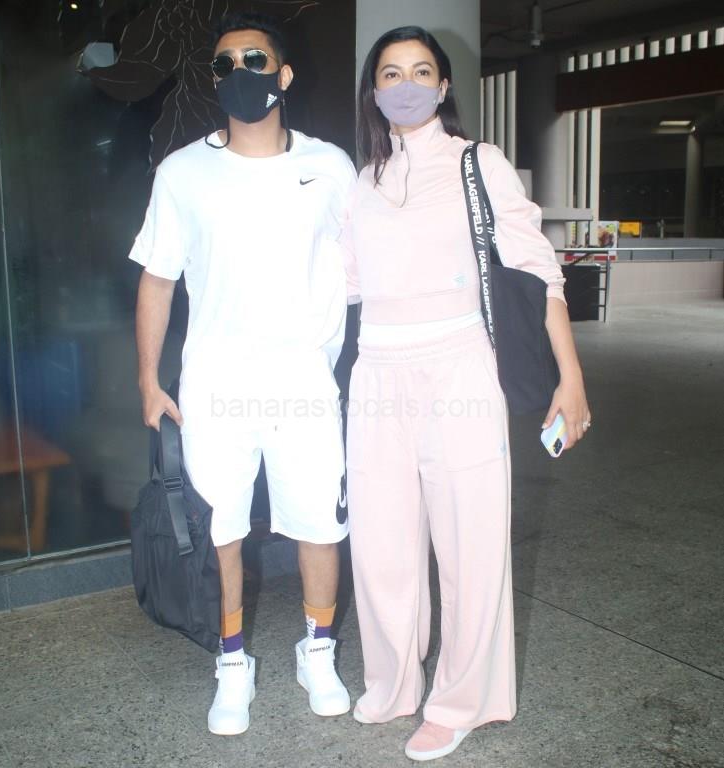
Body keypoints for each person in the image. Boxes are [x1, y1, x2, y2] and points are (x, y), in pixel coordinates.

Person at [344, 26, 591, 762]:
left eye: (421, 71)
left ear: (445, 86)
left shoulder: (478, 163)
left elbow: (537, 270)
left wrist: (571, 376)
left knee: (469, 543)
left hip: (459, 365)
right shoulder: (361, 182)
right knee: (381, 546)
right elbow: (346, 286)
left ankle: (460, 702)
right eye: (391, 73)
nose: (406, 85)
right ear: (373, 91)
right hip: (375, 370)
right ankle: (392, 682)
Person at [130, 11, 356, 736]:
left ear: (283, 75)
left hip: (303, 382)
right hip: (215, 384)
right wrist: (148, 380)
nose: (239, 74)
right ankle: (232, 663)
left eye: (254, 60)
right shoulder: (182, 172)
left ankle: (317, 650)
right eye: (224, 64)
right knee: (220, 530)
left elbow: (364, 268)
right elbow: (158, 279)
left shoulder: (330, 167)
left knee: (320, 524)